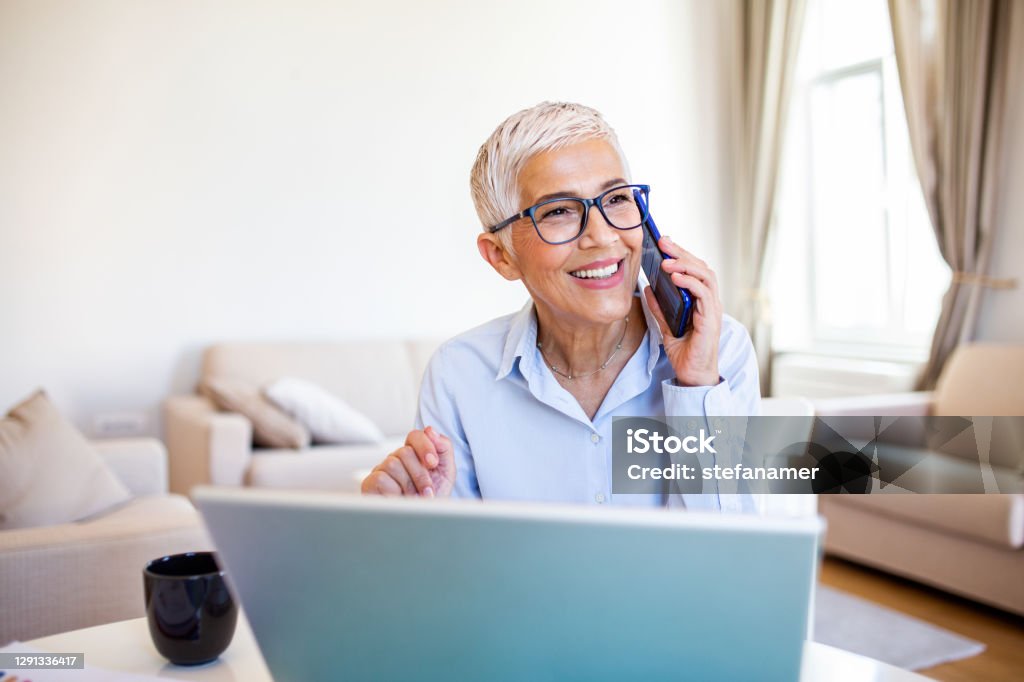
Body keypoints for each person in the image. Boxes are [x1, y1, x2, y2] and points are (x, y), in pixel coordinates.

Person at [361, 102, 760, 511]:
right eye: (558, 212)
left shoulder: (721, 349)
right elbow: (457, 564)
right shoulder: (459, 375)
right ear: (501, 256)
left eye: (617, 198)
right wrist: (409, 524)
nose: (603, 237)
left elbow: (734, 556)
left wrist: (697, 388)